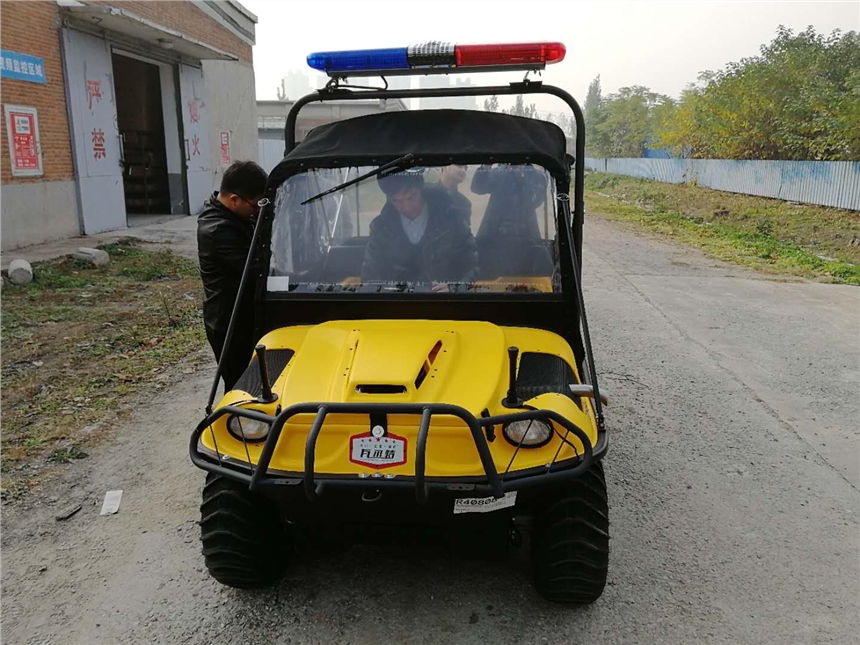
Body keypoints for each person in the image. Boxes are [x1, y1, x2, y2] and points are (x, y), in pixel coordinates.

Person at [197, 160, 268, 390]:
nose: (258, 211)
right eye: (256, 205)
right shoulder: (218, 229)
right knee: (240, 386)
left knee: (259, 379)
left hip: (244, 313)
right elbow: (257, 270)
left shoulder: (236, 215)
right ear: (235, 199)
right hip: (229, 323)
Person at [361, 169, 478, 289]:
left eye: (411, 197)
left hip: (444, 302)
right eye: (396, 201)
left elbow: (472, 266)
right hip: (396, 304)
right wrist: (388, 292)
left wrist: (453, 288)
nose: (406, 207)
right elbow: (371, 276)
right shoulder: (380, 228)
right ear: (389, 199)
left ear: (420, 189)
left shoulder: (453, 220)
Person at [471, 163, 546, 240]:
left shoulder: (537, 176)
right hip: (495, 231)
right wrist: (487, 165)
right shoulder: (499, 173)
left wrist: (522, 176)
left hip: (526, 232)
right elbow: (477, 187)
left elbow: (535, 201)